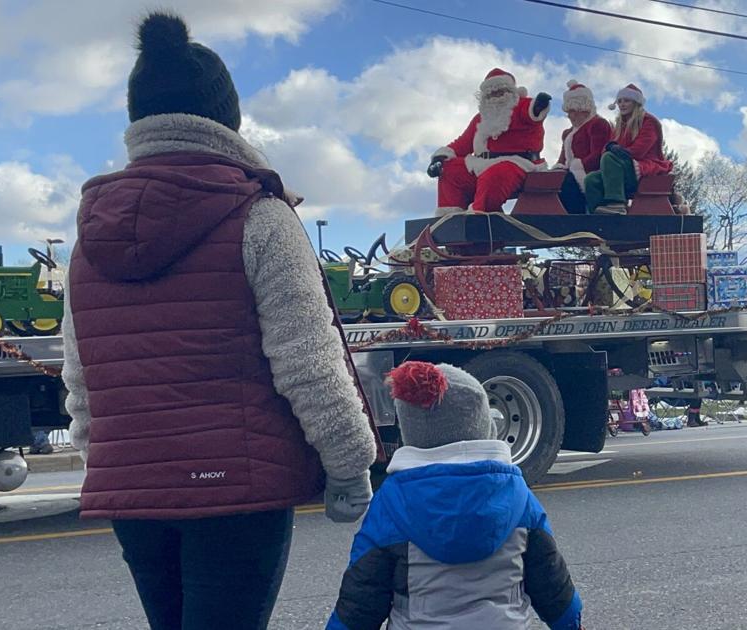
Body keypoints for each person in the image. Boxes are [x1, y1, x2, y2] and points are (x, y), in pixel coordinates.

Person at [61, 13, 379, 630]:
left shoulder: (87, 236)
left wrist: (115, 462)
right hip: (236, 488)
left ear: (138, 119)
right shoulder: (260, 216)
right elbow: (307, 361)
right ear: (224, 118)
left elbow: (83, 380)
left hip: (137, 495)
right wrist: (349, 462)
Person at [326, 361, 583, 630]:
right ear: (482, 423)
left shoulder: (392, 502)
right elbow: (551, 580)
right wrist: (571, 621)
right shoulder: (517, 495)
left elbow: (363, 596)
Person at [428, 69, 551, 215]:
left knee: (494, 175)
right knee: (449, 170)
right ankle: (450, 219)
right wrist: (439, 159)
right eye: (491, 94)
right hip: (481, 165)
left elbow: (533, 114)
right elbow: (463, 143)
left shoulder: (521, 106)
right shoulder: (480, 118)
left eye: (501, 92)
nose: (496, 97)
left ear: (511, 92)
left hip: (517, 164)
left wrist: (538, 107)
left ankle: (479, 215)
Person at [584, 84, 672, 215]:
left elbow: (639, 151)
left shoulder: (649, 121)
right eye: (619, 101)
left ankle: (617, 203)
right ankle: (597, 212)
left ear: (635, 103)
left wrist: (617, 151)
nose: (622, 104)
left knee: (609, 158)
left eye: (626, 101)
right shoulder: (621, 125)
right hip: (622, 168)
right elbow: (607, 148)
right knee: (591, 179)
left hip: (643, 167)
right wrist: (611, 147)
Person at [553, 80, 612, 214]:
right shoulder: (568, 133)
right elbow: (562, 160)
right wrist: (557, 171)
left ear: (583, 109)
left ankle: (578, 217)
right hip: (571, 176)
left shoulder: (598, 124)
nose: (569, 115)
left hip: (591, 176)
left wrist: (575, 167)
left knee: (566, 183)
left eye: (572, 111)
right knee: (555, 182)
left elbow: (598, 156)